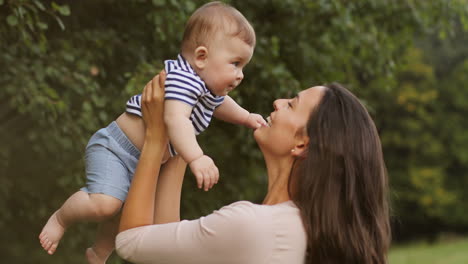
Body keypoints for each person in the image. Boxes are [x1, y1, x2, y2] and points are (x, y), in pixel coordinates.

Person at [39, 2, 264, 263]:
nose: (240, 75)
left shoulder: (206, 88)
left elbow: (221, 105)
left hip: (144, 158)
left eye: (243, 66)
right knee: (105, 204)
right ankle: (60, 218)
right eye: (235, 64)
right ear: (201, 57)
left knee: (125, 212)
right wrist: (196, 157)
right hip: (117, 148)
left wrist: (246, 117)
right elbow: (175, 118)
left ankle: (99, 253)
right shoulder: (183, 79)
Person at [115, 72, 391, 264]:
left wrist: (154, 138)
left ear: (301, 143)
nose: (277, 103)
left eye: (291, 104)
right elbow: (167, 252)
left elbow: (130, 242)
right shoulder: (300, 227)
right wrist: (180, 133)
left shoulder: (254, 225)